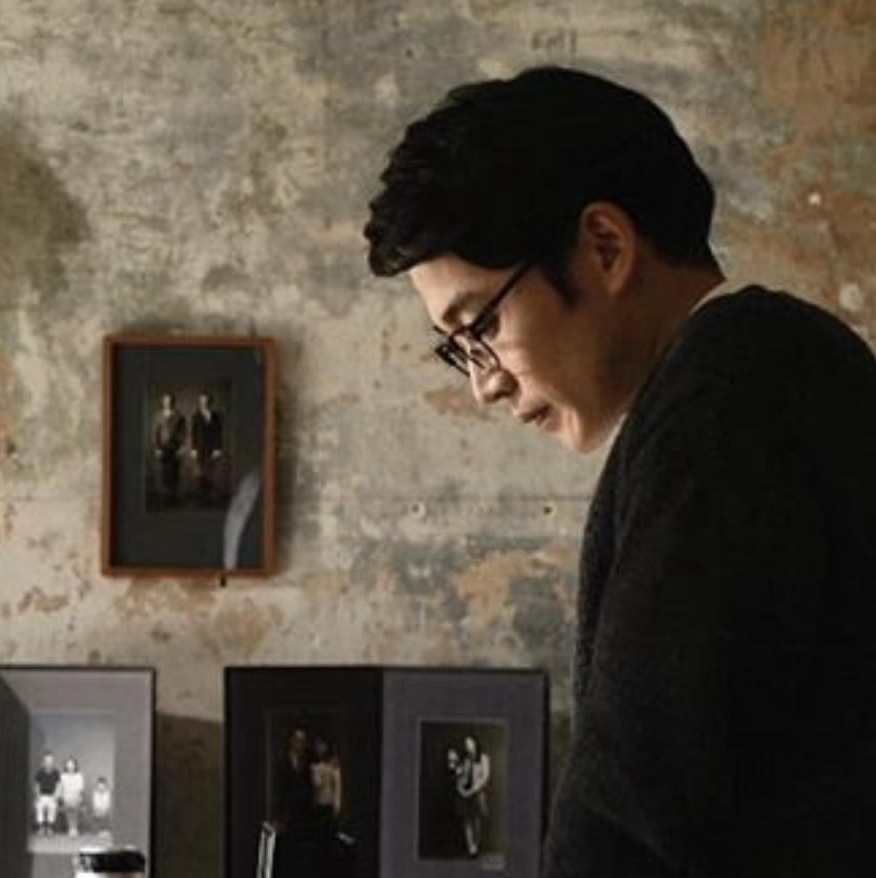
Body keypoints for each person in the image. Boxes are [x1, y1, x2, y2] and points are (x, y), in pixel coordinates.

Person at [365, 65, 876, 876]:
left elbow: (633, 815)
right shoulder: (759, 373)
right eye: (456, 351)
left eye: (482, 327)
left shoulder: (729, 402)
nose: (484, 384)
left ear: (605, 247)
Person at [187, 391, 225, 502]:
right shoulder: (195, 416)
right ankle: (201, 495)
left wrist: (218, 448)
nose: (204, 403)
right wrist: (193, 449)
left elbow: (219, 433)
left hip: (212, 448)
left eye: (206, 401)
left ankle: (209, 495)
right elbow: (193, 433)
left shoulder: (216, 416)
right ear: (199, 402)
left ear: (210, 402)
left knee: (211, 471)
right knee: (200, 472)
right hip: (199, 448)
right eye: (202, 401)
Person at [150, 392, 186, 504]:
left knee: (175, 471)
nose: (167, 402)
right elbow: (155, 433)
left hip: (175, 448)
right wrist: (157, 448)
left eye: (169, 400)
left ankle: (174, 496)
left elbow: (183, 433)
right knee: (163, 471)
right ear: (163, 401)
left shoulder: (179, 416)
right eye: (165, 400)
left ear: (173, 402)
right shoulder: (158, 415)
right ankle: (164, 496)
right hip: (162, 448)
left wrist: (182, 447)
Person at [58, 756, 88, 837]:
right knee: (68, 804)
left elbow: (80, 790)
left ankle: (74, 828)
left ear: (75, 765)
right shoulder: (62, 776)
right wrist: (62, 798)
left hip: (76, 797)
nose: (70, 766)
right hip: (66, 797)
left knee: (75, 803)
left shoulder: (79, 776)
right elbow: (61, 789)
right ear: (66, 766)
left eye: (72, 764)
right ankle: (71, 828)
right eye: (68, 764)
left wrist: (78, 797)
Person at [33, 751, 62, 836]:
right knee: (39, 806)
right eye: (47, 761)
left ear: (53, 762)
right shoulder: (39, 772)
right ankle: (41, 827)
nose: (49, 763)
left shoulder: (56, 772)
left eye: (50, 761)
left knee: (53, 806)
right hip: (42, 796)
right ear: (44, 762)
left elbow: (59, 785)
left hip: (52, 796)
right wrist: (37, 796)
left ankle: (50, 827)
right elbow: (36, 785)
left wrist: (56, 796)